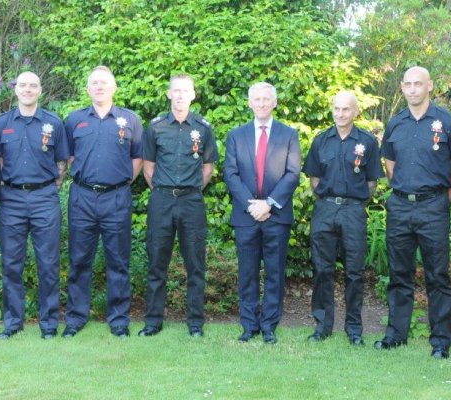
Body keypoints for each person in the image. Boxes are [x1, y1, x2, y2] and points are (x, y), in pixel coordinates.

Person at [376, 66, 451, 359]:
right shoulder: (395, 124)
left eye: (418, 84)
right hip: (400, 206)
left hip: (433, 207)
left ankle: (440, 340)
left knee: (437, 275)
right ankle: (396, 334)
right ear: (402, 88)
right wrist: (403, 189)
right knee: (399, 274)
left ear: (430, 86)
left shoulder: (448, 123)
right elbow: (389, 164)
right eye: (407, 85)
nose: (412, 89)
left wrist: (443, 199)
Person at [63, 66, 143, 338]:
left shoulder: (129, 120)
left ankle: (119, 320)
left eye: (104, 83)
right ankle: (75, 318)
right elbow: (70, 157)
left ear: (114, 88)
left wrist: (119, 184)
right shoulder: (74, 120)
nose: (99, 87)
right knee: (79, 260)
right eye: (94, 83)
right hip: (82, 198)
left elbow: (138, 158)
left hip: (117, 198)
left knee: (118, 261)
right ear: (87, 89)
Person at [139, 74, 218, 338]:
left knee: (195, 263)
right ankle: (153, 322)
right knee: (157, 262)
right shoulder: (156, 127)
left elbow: (208, 167)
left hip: (191, 201)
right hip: (161, 199)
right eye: (177, 90)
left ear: (193, 95)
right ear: (169, 94)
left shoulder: (203, 128)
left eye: (186, 91)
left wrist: (191, 188)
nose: (181, 95)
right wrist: (164, 190)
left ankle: (195, 322)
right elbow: (148, 167)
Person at [302, 91, 384, 345]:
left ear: (356, 111)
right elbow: (314, 178)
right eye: (336, 109)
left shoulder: (367, 142)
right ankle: (323, 326)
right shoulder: (321, 141)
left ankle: (354, 329)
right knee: (322, 269)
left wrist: (354, 201)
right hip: (325, 209)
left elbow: (372, 182)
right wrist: (328, 200)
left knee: (355, 272)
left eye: (346, 109)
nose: (340, 114)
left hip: (353, 211)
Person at [0, 71, 69, 340]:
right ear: (15, 90)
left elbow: (62, 163)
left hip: (44, 199)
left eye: (33, 85)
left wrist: (50, 190)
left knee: (48, 263)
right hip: (11, 200)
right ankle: (13, 322)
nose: (27, 89)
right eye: (23, 85)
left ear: (40, 90)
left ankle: (49, 323)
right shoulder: (2, 123)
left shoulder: (53, 123)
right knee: (11, 263)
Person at [224, 82, 300, 344]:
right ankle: (248, 325)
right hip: (246, 217)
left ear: (275, 102)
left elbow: (292, 175)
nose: (262, 103)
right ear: (249, 103)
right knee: (247, 272)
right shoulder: (236, 135)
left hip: (276, 216)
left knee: (275, 272)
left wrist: (268, 204)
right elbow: (230, 174)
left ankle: (269, 325)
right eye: (256, 99)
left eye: (266, 99)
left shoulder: (289, 134)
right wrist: (251, 205)